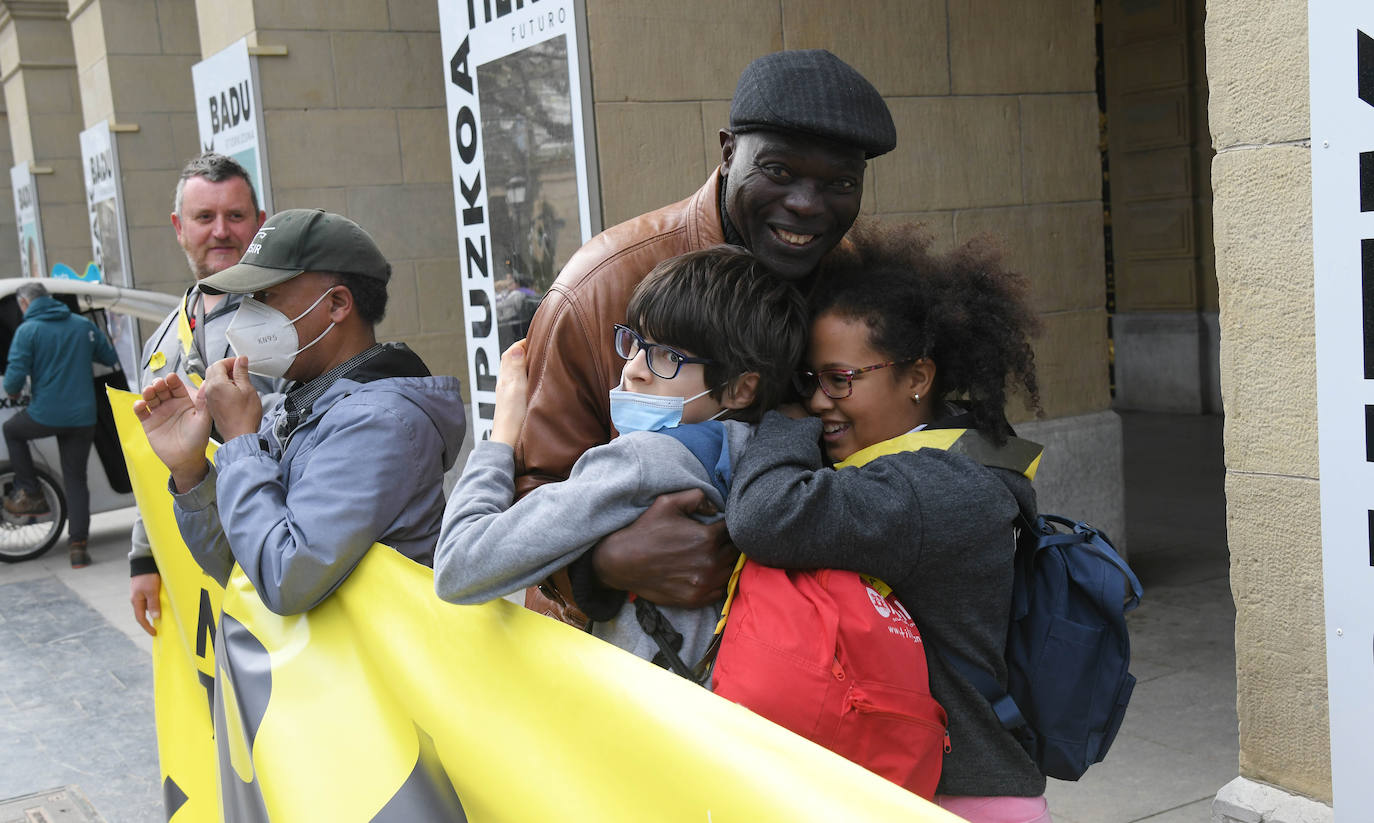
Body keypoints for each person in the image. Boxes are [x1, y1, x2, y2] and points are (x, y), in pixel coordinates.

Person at [514, 48, 897, 621]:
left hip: (818, 655)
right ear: (727, 152)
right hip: (647, 674)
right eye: (779, 171)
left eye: (839, 182)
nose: (806, 205)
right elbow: (533, 488)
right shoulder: (600, 287)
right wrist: (601, 565)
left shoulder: (861, 287)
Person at [723, 223, 1051, 821]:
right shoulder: (943, 456)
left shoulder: (930, 491)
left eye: (839, 379)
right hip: (918, 783)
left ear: (918, 378)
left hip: (956, 796)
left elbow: (765, 514)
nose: (821, 399)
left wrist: (786, 415)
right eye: (809, 379)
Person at [435, 246, 806, 670]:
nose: (634, 369)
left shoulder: (639, 462)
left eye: (669, 357)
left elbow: (458, 564)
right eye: (636, 343)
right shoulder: (768, 452)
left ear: (742, 389)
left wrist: (502, 434)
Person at [134, 208, 466, 615]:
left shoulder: (379, 422)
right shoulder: (307, 401)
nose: (247, 314)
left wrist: (240, 440)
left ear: (337, 305)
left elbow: (284, 579)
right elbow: (241, 565)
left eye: (266, 296)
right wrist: (191, 472)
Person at [128, 152, 284, 636]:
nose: (221, 231)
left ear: (259, 223)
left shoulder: (287, 319)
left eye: (235, 216)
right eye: (204, 217)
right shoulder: (161, 341)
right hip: (195, 569)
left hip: (272, 559)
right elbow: (150, 457)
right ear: (179, 226)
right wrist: (143, 556)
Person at [2, 281, 120, 567]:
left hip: (45, 414)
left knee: (12, 430)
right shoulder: (82, 325)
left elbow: (13, 380)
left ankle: (30, 490)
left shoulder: (27, 331)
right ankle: (78, 547)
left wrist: (16, 391)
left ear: (25, 304)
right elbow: (109, 357)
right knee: (76, 480)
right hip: (82, 417)